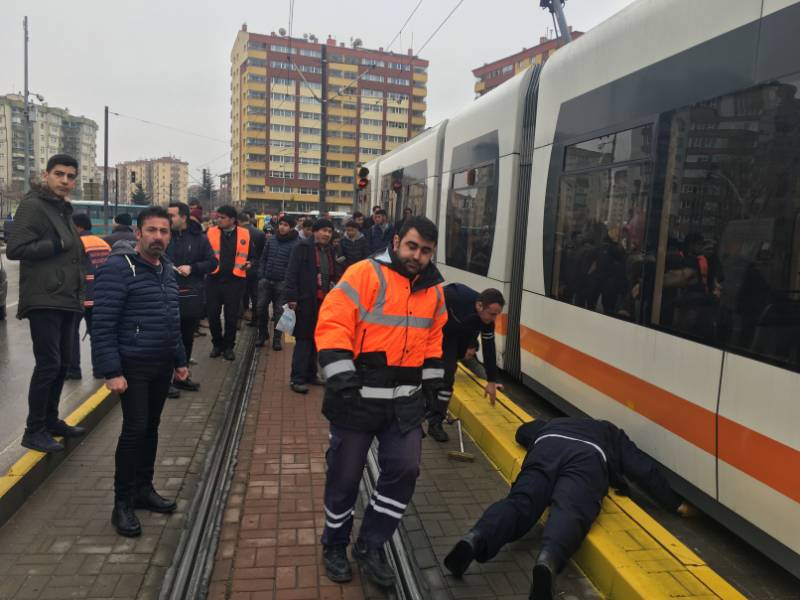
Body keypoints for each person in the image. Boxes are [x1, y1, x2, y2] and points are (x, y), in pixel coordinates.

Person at [315, 216, 447, 587]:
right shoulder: (363, 274)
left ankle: (371, 543)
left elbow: (434, 340)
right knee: (344, 479)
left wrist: (435, 387)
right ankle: (335, 544)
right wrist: (340, 374)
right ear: (396, 241)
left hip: (403, 403)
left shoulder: (435, 292)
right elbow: (333, 322)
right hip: (356, 399)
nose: (417, 256)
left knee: (405, 470)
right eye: (412, 246)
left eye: (425, 251)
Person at [444, 417, 694, 600]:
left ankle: (476, 537)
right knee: (570, 510)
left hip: (547, 446)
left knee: (520, 502)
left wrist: (542, 433)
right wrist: (676, 504)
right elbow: (641, 469)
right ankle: (547, 560)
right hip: (587, 457)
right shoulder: (611, 431)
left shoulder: (554, 422)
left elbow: (522, 432)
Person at [92, 206, 188, 537]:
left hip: (161, 363)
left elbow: (170, 318)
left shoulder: (166, 270)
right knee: (134, 430)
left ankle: (143, 489)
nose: (159, 237)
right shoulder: (118, 269)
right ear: (138, 234)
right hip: (132, 366)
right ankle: (122, 503)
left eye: (164, 231)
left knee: (151, 427)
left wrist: (180, 359)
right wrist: (111, 371)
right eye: (152, 231)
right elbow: (102, 324)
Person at [6, 154, 87, 453]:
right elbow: (15, 248)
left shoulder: (62, 208)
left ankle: (50, 421)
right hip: (44, 298)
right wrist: (56, 244)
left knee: (63, 363)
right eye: (60, 174)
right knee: (49, 364)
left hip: (65, 298)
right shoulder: (33, 205)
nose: (66, 181)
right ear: (47, 175)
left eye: (71, 176)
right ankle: (34, 429)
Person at [427, 285, 505, 442]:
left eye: (497, 315)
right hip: (435, 332)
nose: (493, 319)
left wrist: (491, 380)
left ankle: (435, 423)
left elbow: (489, 348)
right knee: (430, 376)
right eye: (491, 314)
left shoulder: (486, 321)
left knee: (448, 378)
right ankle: (425, 407)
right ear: (479, 305)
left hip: (456, 338)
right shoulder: (455, 297)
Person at [166, 202, 217, 391]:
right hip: (167, 294)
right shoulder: (164, 235)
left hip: (190, 295)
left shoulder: (199, 238)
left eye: (172, 216)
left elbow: (212, 262)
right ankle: (166, 380)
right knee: (167, 338)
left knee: (186, 337)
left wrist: (193, 268)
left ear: (184, 217)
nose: (168, 219)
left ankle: (181, 375)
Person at [284, 218, 339, 393]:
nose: (326, 234)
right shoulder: (302, 248)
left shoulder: (329, 250)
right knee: (303, 340)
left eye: (329, 232)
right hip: (305, 301)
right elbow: (291, 274)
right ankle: (297, 378)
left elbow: (332, 273)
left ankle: (311, 374)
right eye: (323, 230)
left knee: (316, 339)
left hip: (323, 302)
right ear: (315, 231)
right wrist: (292, 298)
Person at [66, 213, 111, 380]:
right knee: (97, 335)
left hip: (78, 296)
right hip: (100, 296)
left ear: (78, 227)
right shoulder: (103, 244)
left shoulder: (75, 243)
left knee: (71, 334)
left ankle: (73, 371)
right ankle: (99, 370)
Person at [206, 205, 251, 361]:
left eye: (222, 217)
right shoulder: (210, 232)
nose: (219, 219)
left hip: (235, 281)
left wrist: (251, 263)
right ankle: (217, 344)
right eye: (218, 217)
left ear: (232, 220)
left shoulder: (245, 234)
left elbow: (254, 256)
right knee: (212, 315)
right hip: (213, 279)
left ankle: (228, 347)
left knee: (231, 316)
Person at [256, 214, 300, 350]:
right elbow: (263, 258)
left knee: (278, 312)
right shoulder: (272, 240)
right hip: (266, 281)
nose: (282, 227)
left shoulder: (296, 243)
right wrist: (261, 275)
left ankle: (276, 339)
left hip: (282, 283)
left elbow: (295, 267)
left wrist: (288, 282)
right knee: (260, 308)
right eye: (281, 224)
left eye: (286, 225)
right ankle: (262, 335)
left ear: (291, 228)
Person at [238, 211, 266, 326]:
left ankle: (238, 320)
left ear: (239, 221)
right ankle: (255, 319)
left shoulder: (239, 233)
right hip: (255, 267)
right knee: (255, 295)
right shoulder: (259, 233)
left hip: (240, 268)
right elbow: (263, 253)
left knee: (239, 295)